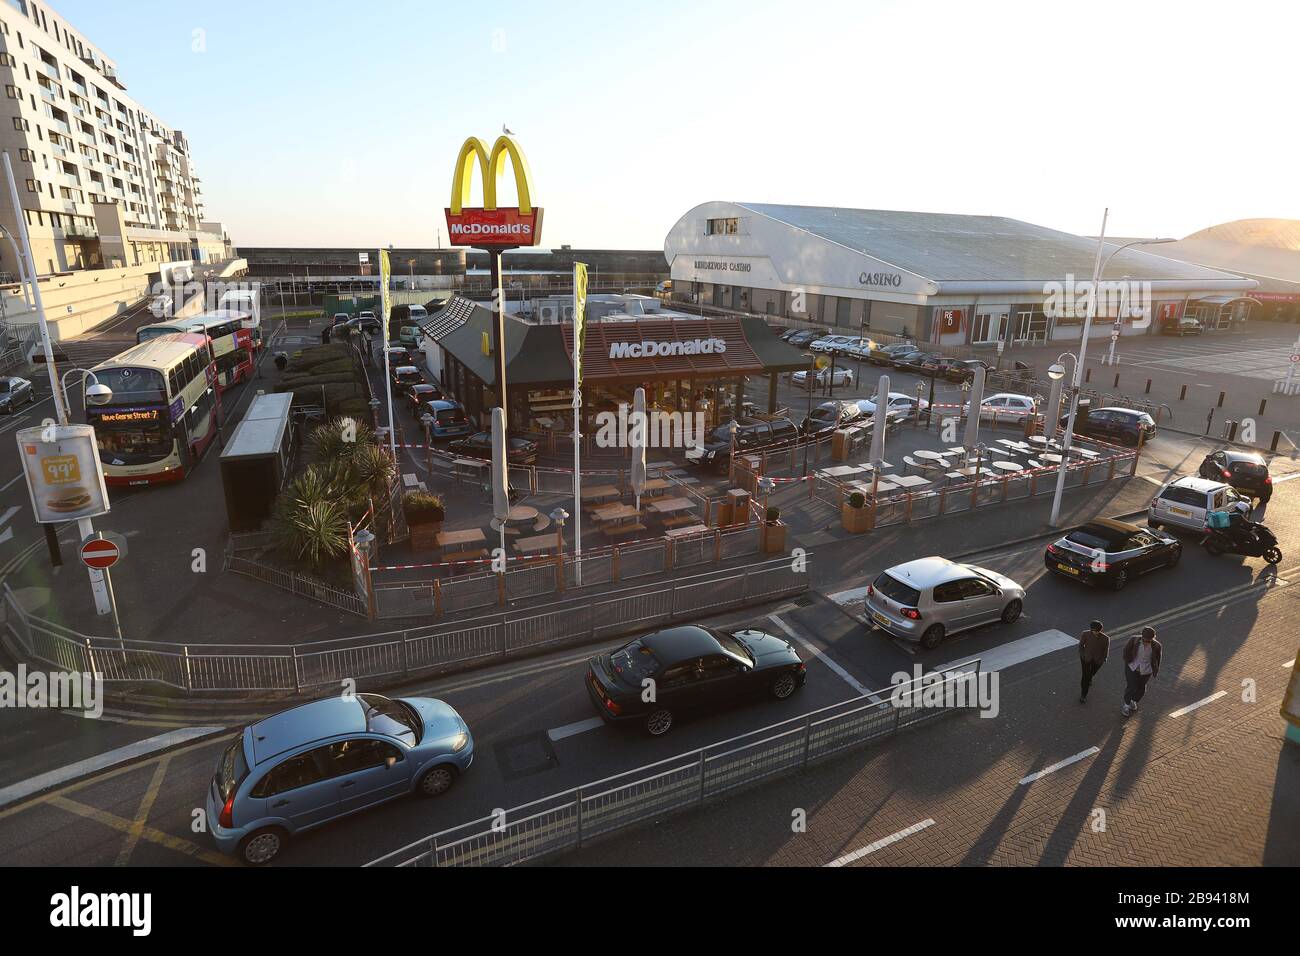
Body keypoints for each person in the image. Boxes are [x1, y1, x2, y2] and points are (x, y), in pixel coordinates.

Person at [1121, 626, 1162, 716]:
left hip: (1146, 670)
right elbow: (1126, 650)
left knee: (1141, 688)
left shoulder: (1157, 646)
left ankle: (1133, 700)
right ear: (1141, 636)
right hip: (1132, 668)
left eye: (1149, 641)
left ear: (1153, 638)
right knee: (1131, 687)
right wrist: (1127, 660)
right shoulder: (1134, 640)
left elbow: (1158, 659)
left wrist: (1156, 670)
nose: (1146, 642)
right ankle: (1126, 706)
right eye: (1144, 640)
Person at [1077, 619, 1109, 703]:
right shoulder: (1085, 634)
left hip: (1098, 660)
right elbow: (1080, 646)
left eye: (1097, 631)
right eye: (1093, 631)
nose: (1095, 633)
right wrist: (1082, 655)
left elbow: (1106, 650)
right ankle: (1083, 695)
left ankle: (1090, 677)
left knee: (1092, 672)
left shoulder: (1106, 638)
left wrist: (1104, 659)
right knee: (1085, 676)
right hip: (1086, 658)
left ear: (1101, 629)